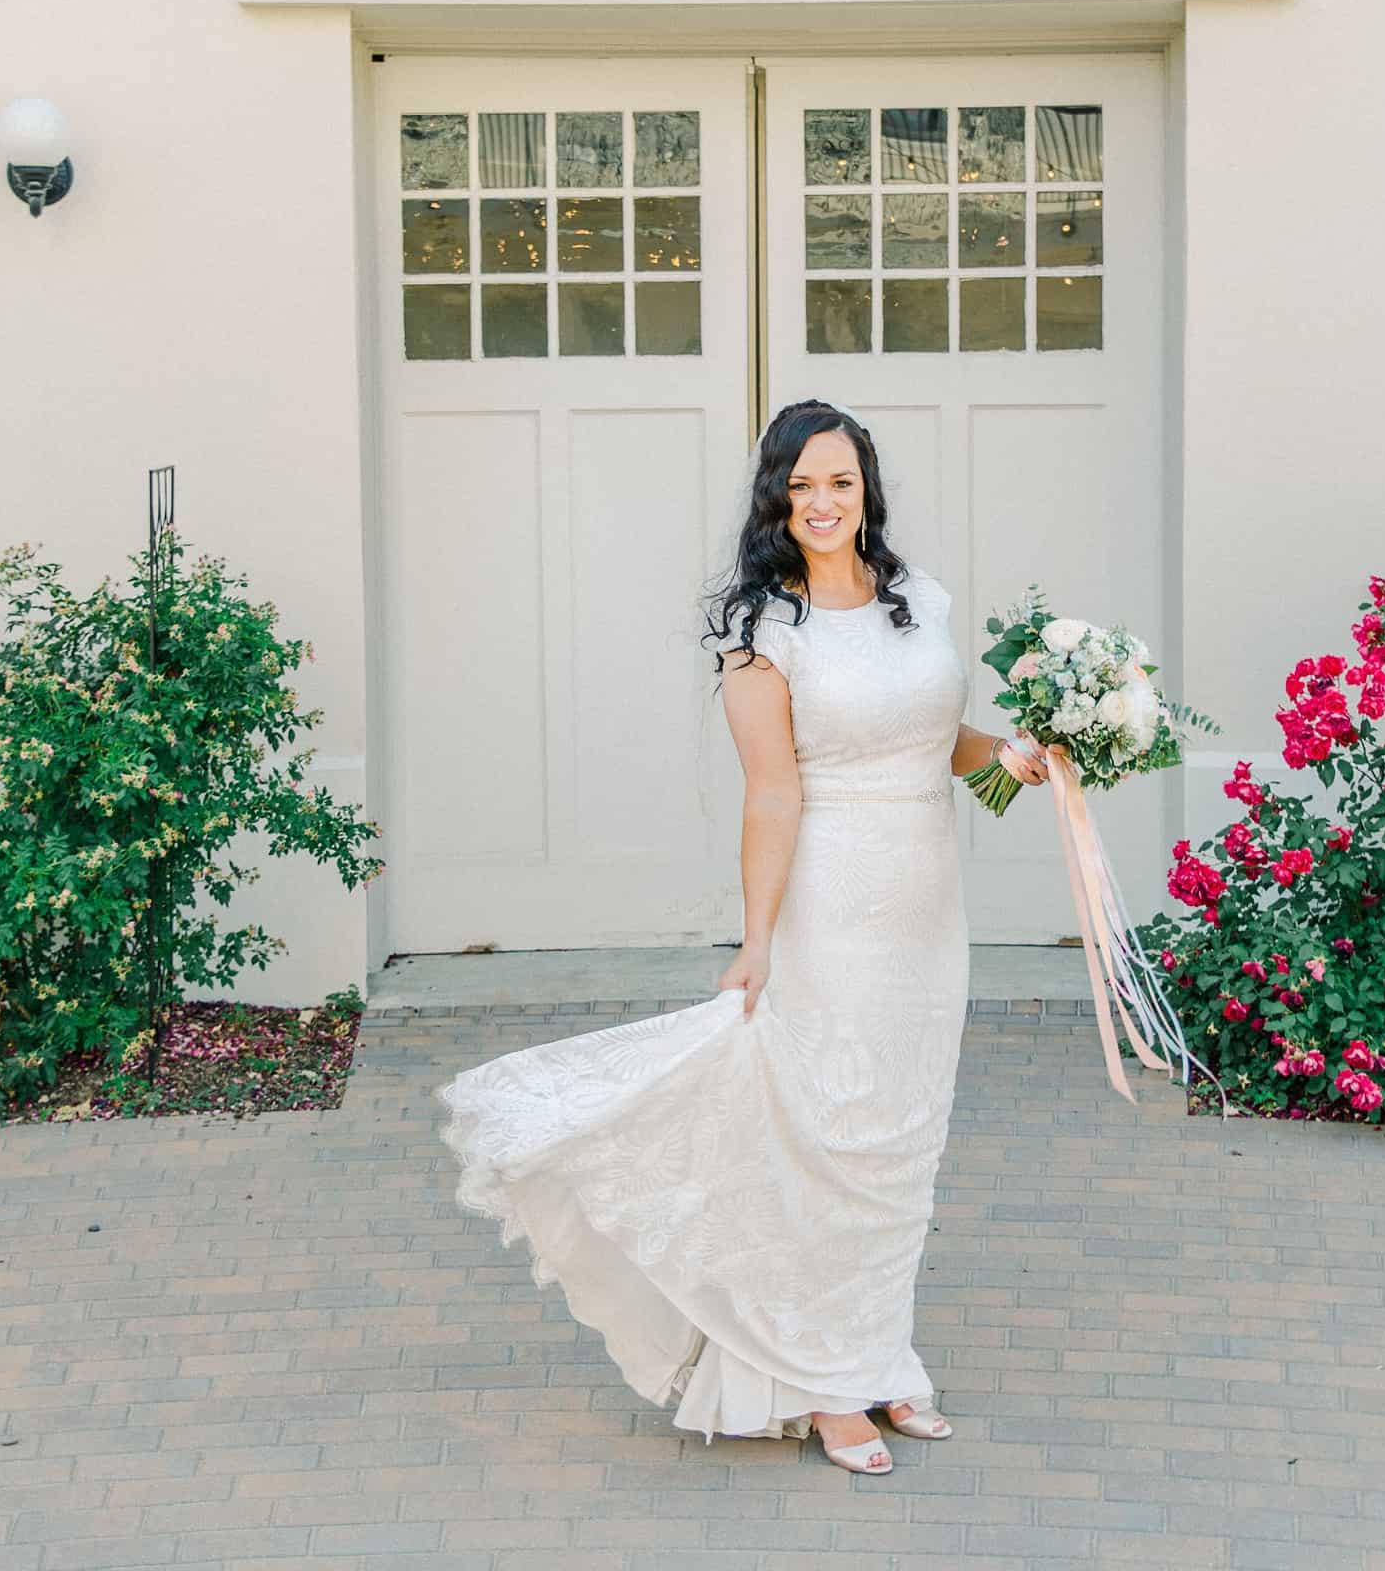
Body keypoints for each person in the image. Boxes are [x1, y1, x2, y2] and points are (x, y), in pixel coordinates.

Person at [434, 396, 1047, 1476]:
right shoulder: (765, 638)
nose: (821, 502)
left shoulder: (920, 604)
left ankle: (878, 1355)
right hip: (831, 908)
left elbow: (931, 736)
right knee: (833, 1139)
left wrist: (1012, 759)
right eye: (800, 484)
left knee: (903, 1143)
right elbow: (773, 795)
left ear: (867, 493)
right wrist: (757, 939)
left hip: (928, 912)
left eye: (839, 482)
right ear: (776, 499)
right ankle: (817, 1381)